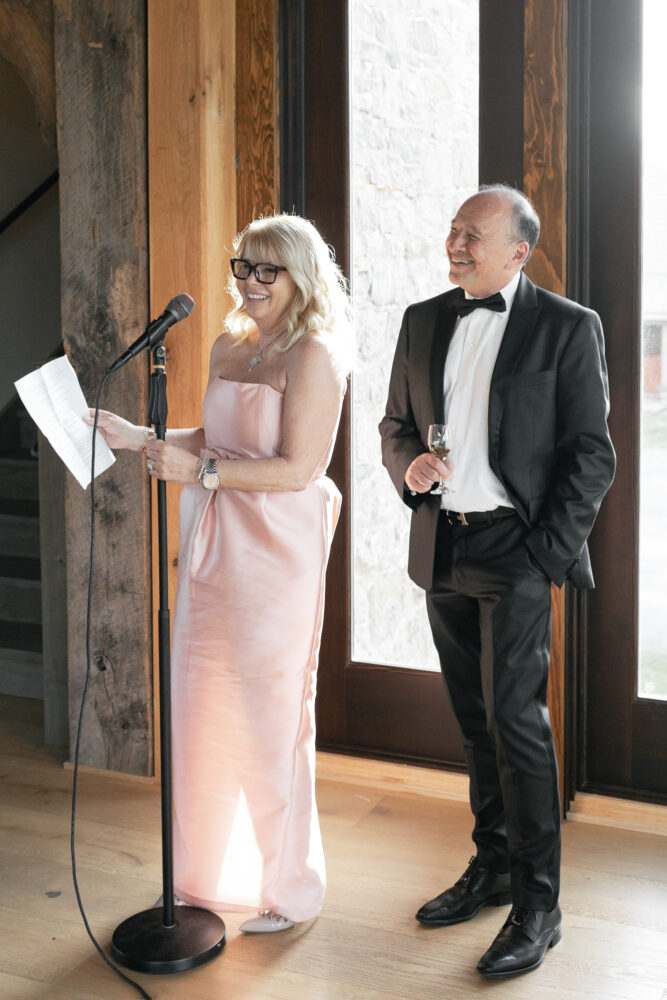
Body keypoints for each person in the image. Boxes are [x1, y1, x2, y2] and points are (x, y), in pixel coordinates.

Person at [89, 213, 350, 933]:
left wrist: (195, 470)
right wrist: (135, 435)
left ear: (301, 276)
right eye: (243, 267)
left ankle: (287, 890)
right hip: (213, 543)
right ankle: (206, 879)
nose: (252, 282)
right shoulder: (228, 342)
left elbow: (299, 468)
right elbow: (214, 439)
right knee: (202, 707)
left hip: (276, 550)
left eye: (269, 270)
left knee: (269, 718)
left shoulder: (316, 355)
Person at [379, 185, 615, 978]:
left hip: (518, 549)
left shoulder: (566, 326)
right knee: (475, 722)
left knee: (518, 727)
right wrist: (405, 465)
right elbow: (393, 426)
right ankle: (493, 867)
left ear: (517, 250)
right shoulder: (420, 320)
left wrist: (547, 552)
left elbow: (591, 453)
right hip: (442, 545)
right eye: (452, 230)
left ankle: (538, 905)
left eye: (472, 234)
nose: (456, 242)